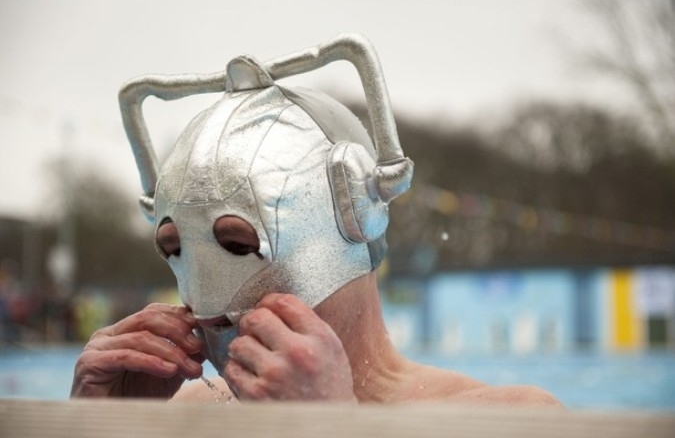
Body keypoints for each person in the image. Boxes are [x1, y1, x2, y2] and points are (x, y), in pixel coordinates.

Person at [71, 33, 560, 406]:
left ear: (356, 221)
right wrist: (95, 427)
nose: (206, 307)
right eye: (175, 248)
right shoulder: (186, 410)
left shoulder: (508, 419)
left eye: (239, 245)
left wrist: (329, 430)